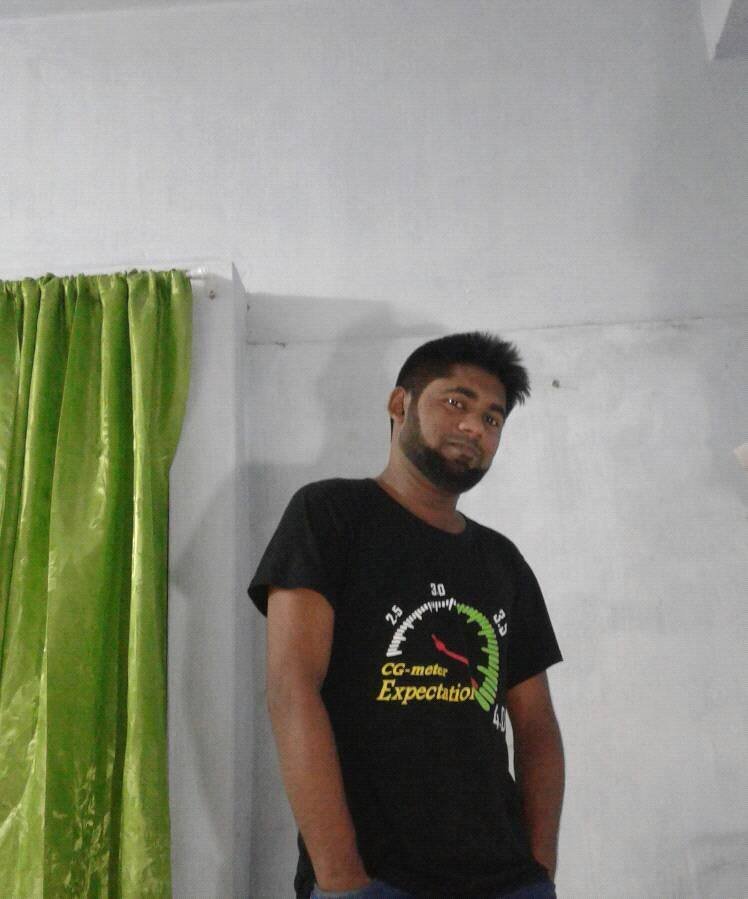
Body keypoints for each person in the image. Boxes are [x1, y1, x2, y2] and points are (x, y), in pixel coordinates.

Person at [248, 332, 565, 899]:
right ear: (400, 404)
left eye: (492, 419)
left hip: (507, 879)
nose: (474, 426)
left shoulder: (503, 562)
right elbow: (291, 689)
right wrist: (342, 879)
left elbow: (537, 726)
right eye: (456, 401)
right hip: (376, 879)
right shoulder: (330, 515)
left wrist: (539, 868)